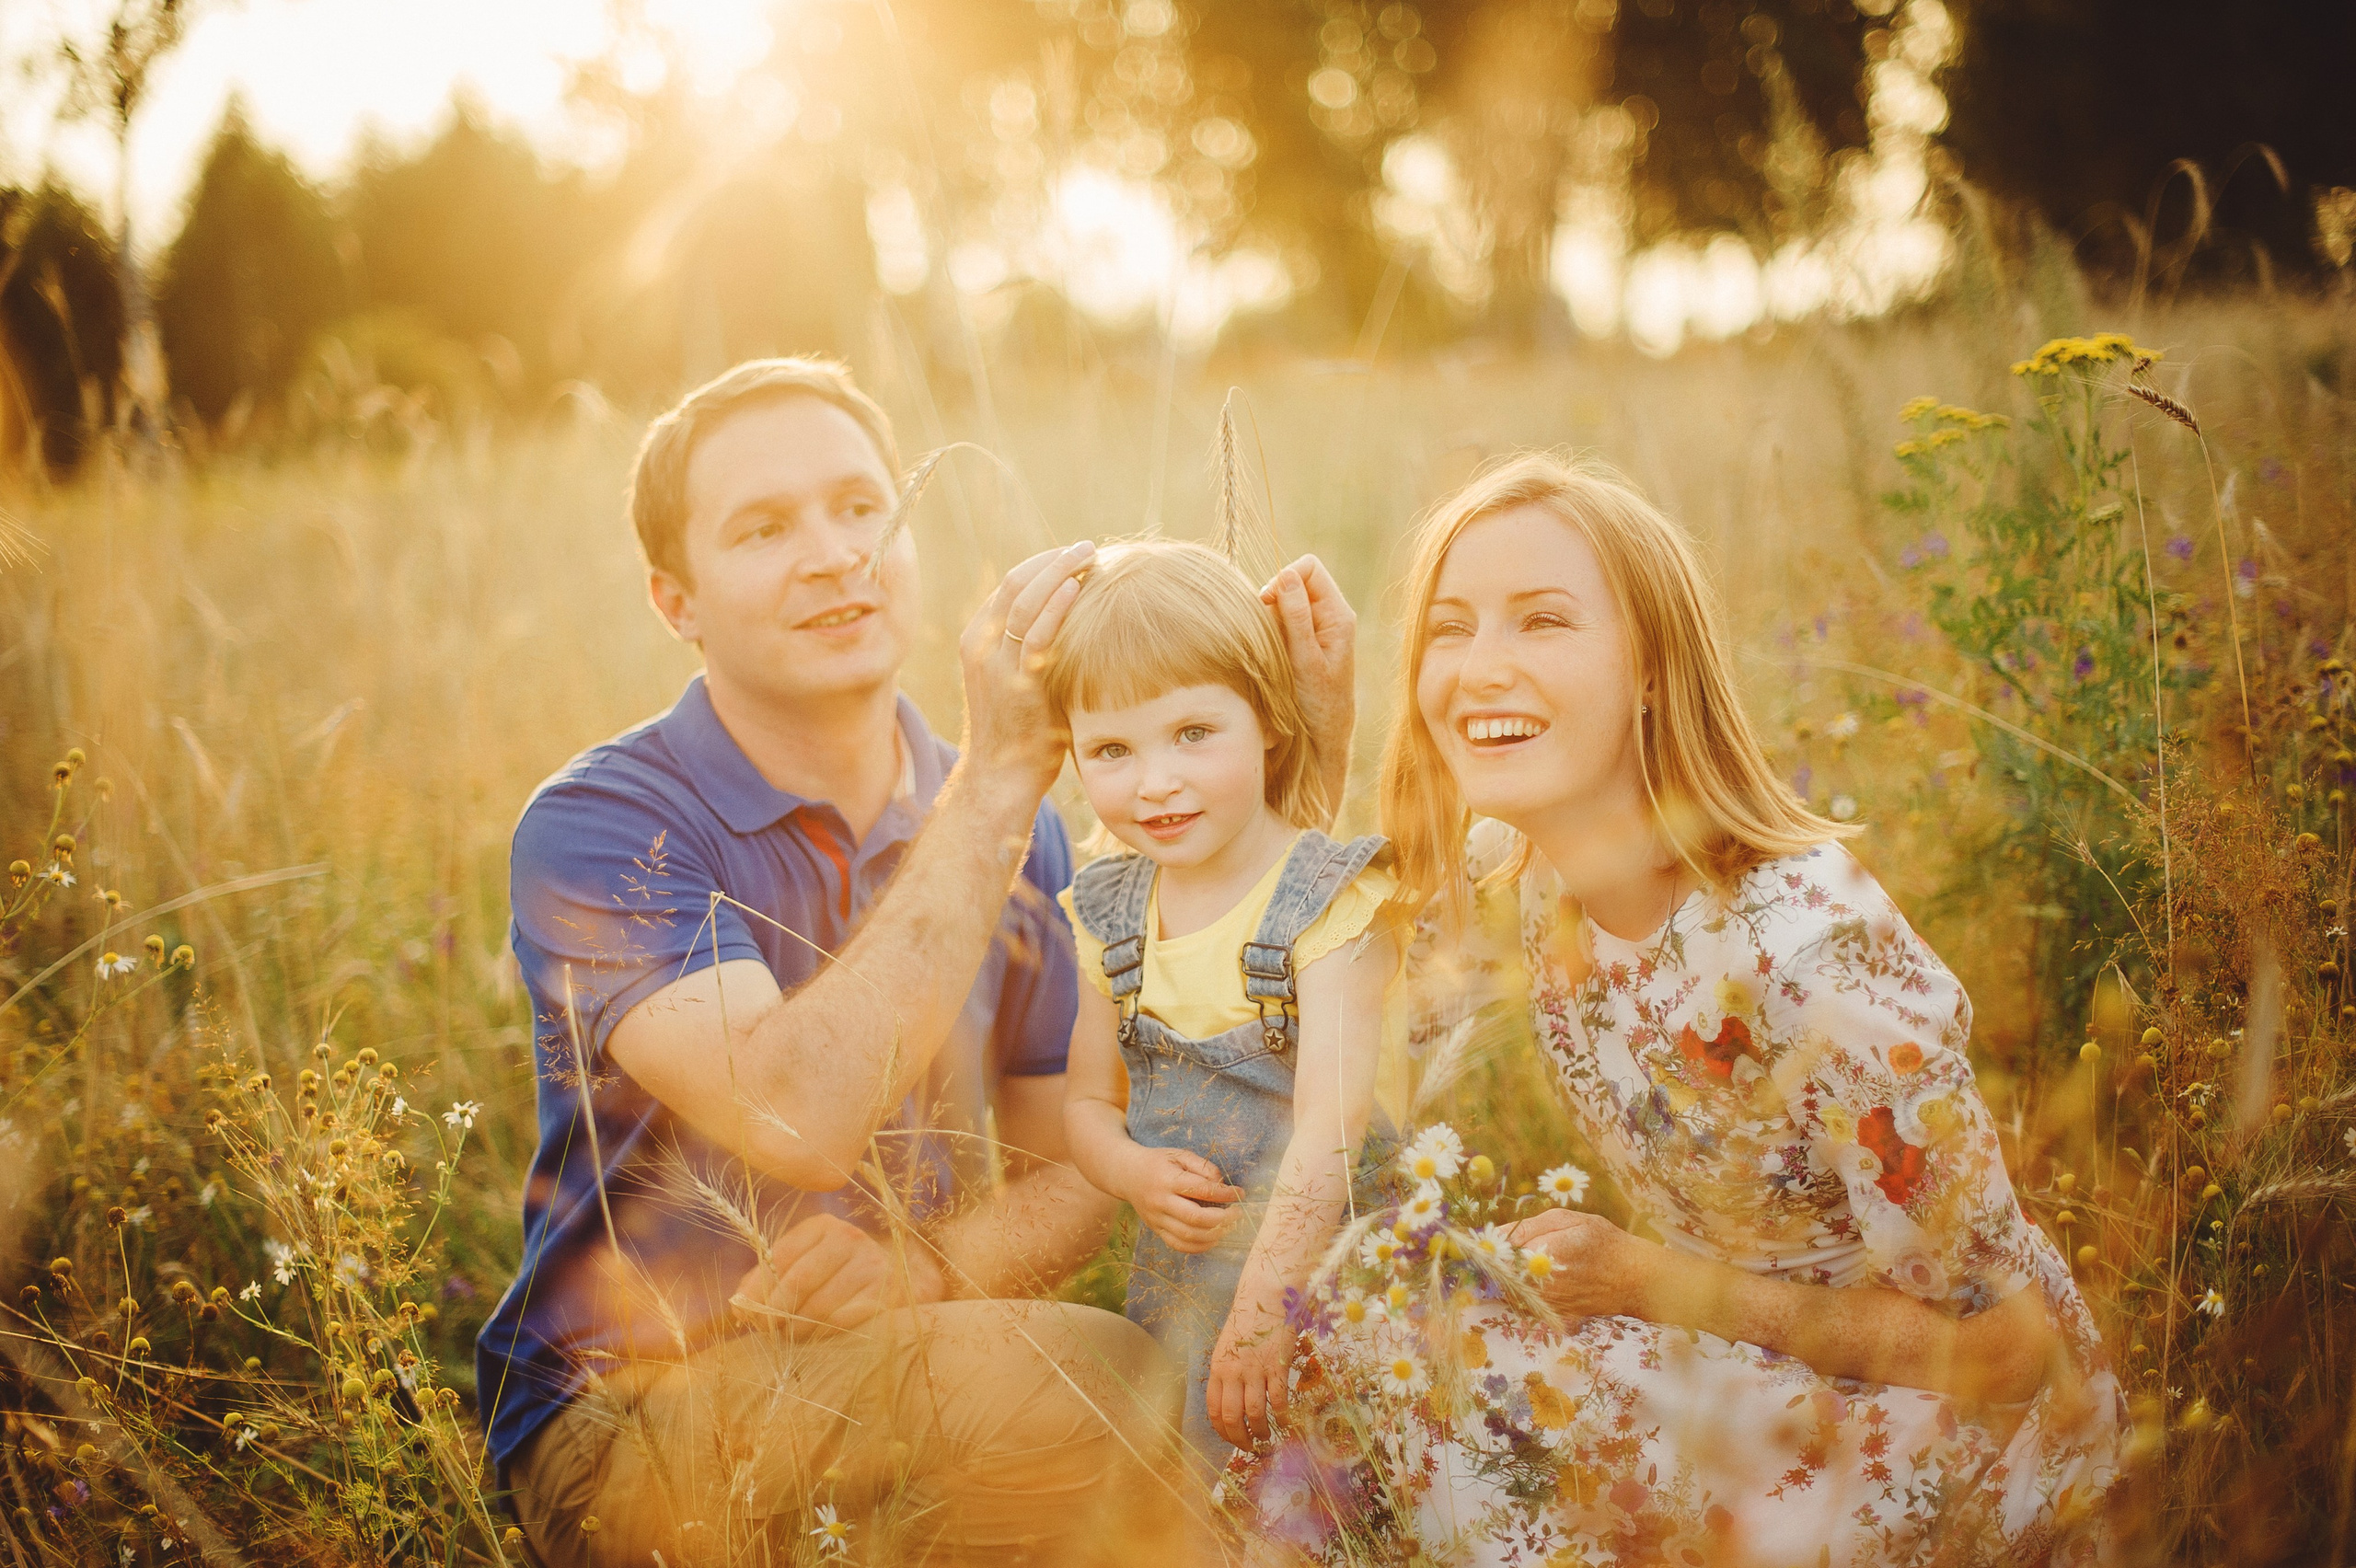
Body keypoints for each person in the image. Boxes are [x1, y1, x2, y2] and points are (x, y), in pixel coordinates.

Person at [473, 357, 1360, 1567]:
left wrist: (925, 1269)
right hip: (634, 1415)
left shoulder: (1031, 833)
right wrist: (1000, 776)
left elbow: (1085, 1159)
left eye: (860, 506)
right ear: (674, 600)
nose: (837, 552)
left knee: (1221, 1397)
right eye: (764, 528)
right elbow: (791, 1114)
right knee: (1108, 1382)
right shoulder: (603, 824)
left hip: (923, 1371)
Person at [1240, 453, 2124, 1565]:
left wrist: (1647, 1283)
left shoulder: (1815, 955)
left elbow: (2007, 1350)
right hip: (1729, 1359)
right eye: (1449, 629)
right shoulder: (1524, 867)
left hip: (1947, 1434)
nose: (1478, 670)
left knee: (1464, 1422)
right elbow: (1334, 1009)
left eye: (1542, 621)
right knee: (1367, 1335)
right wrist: (1319, 732)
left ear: (1652, 670)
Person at [1042, 540, 1402, 1468]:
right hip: (1190, 1282)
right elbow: (1086, 1103)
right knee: (1207, 1488)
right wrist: (1128, 1171)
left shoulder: (1325, 897)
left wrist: (1266, 1307)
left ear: (1269, 720)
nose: (1155, 781)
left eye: (1193, 733)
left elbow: (1330, 1124)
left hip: (1336, 1274)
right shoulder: (1107, 913)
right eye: (1112, 750)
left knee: (1356, 1482)